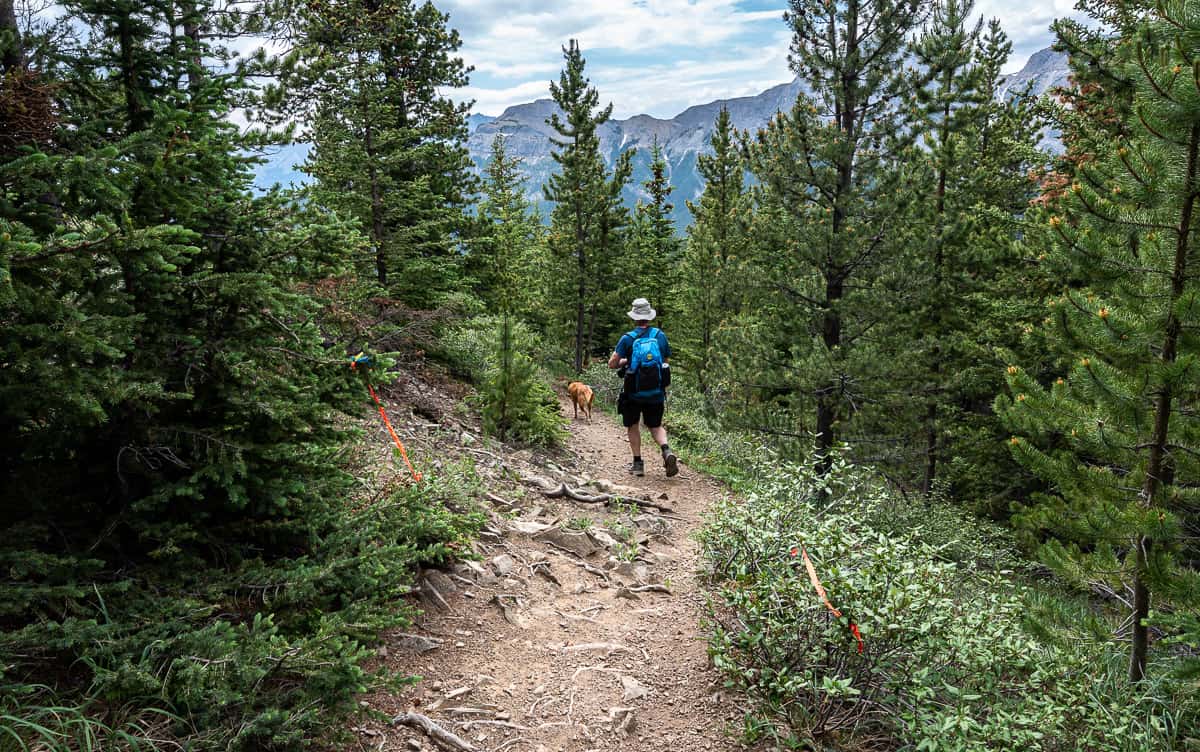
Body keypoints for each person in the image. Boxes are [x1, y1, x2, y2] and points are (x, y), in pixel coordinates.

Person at [608, 298, 678, 477]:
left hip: (633, 392)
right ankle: (666, 450)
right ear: (649, 316)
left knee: (632, 425)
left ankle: (638, 464)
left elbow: (612, 363)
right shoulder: (659, 336)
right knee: (655, 425)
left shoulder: (628, 338)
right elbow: (665, 362)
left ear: (634, 317)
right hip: (655, 391)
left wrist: (625, 361)